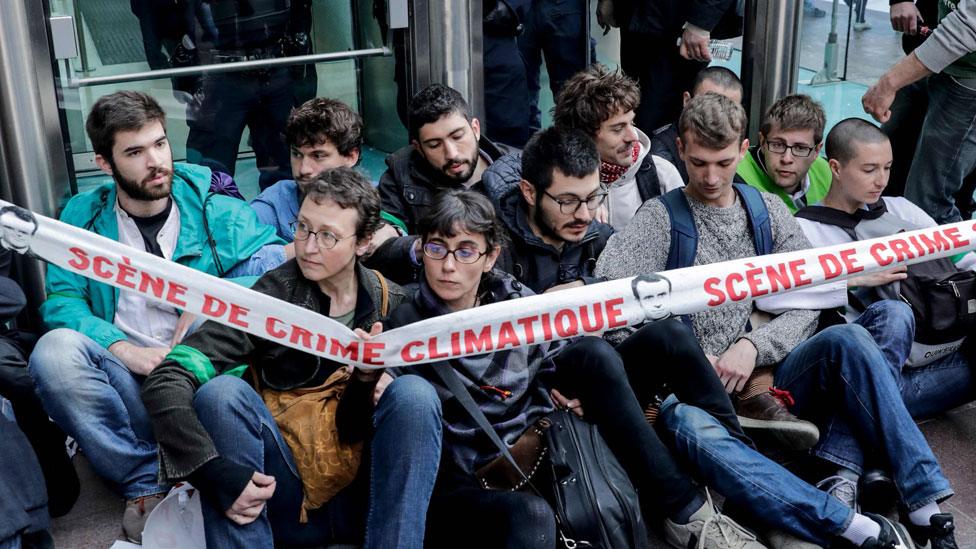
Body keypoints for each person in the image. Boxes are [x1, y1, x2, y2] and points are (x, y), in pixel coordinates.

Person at [597, 93, 959, 548]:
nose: (711, 177)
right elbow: (607, 307)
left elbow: (814, 295)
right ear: (682, 151)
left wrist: (754, 347)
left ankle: (926, 505)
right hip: (690, 391)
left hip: (771, 378)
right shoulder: (657, 219)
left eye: (724, 163)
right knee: (688, 427)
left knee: (852, 336)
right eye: (699, 163)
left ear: (744, 150)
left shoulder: (766, 209)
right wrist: (691, 358)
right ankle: (849, 523)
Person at [376, 189, 766, 549]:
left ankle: (741, 492)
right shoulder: (405, 324)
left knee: (660, 339)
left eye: (464, 252)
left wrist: (573, 392)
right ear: (421, 249)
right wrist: (374, 383)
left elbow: (560, 352)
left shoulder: (510, 297)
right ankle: (688, 511)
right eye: (436, 249)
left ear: (490, 256)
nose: (448, 266)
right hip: (477, 473)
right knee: (531, 517)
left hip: (546, 436)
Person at [27, 91, 287, 543]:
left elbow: (275, 273)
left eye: (160, 144)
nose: (155, 162)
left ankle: (194, 463)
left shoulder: (207, 197)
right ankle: (144, 478)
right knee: (53, 353)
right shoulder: (83, 216)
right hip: (129, 386)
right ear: (104, 163)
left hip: (204, 383)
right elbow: (63, 302)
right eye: (135, 152)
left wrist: (209, 301)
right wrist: (124, 350)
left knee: (219, 326)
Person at [142, 169, 441, 548]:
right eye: (302, 227)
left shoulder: (390, 302)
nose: (309, 246)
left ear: (364, 242)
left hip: (363, 500)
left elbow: (373, 428)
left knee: (414, 394)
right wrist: (213, 473)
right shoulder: (268, 300)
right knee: (221, 395)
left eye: (328, 235)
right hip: (280, 489)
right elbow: (167, 379)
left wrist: (370, 381)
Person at [795, 118, 975, 420]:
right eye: (869, 170)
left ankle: (872, 415)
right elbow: (782, 297)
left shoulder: (902, 208)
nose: (881, 180)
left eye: (888, 168)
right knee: (894, 316)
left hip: (936, 347)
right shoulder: (805, 228)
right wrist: (853, 281)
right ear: (836, 168)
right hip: (866, 367)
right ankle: (874, 414)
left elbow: (960, 259)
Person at [862, 0, 976, 224]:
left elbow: (967, 27)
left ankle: (956, 259)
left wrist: (888, 83)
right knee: (886, 173)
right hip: (930, 54)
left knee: (929, 203)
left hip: (966, 75)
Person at [250, 98, 407, 241]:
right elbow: (236, 260)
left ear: (351, 156)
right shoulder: (275, 203)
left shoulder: (382, 197)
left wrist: (390, 238)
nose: (304, 169)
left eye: (318, 156)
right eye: (296, 154)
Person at [552, 64, 685, 230]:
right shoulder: (555, 183)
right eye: (618, 129)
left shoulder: (661, 174)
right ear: (584, 136)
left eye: (632, 122)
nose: (633, 137)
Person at [377, 84, 513, 234]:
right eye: (434, 145)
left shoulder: (516, 168)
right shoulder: (400, 173)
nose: (452, 154)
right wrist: (427, 247)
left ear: (475, 129)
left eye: (457, 137)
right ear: (419, 148)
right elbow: (385, 235)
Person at [596, 0, 742, 133]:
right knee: (635, 110)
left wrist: (700, 23)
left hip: (679, 25)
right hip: (638, 19)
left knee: (659, 118)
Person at [737, 94, 832, 213]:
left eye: (800, 148)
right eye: (778, 145)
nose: (787, 159)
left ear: (816, 151)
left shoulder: (827, 172)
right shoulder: (735, 175)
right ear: (762, 142)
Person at [650, 66, 744, 185]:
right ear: (687, 101)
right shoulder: (662, 157)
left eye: (730, 109)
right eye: (708, 106)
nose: (720, 117)